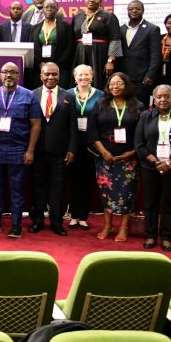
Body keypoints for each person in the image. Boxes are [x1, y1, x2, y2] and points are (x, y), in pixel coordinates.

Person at [0, 62, 41, 239]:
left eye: (13, 72)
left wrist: (30, 150)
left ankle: (16, 224)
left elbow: (36, 124)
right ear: (0, 75)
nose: (8, 75)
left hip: (18, 149)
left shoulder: (29, 96)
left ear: (18, 75)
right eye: (5, 72)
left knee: (17, 189)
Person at [135, 85, 171, 251]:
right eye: (159, 96)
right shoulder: (146, 116)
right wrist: (155, 162)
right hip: (150, 167)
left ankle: (166, 236)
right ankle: (151, 235)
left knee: (169, 202)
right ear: (154, 98)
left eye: (166, 96)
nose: (162, 100)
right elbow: (139, 145)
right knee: (150, 202)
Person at [89, 72, 143, 242]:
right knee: (106, 192)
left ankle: (123, 227)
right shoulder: (100, 104)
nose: (115, 87)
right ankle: (108, 225)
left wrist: (133, 152)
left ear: (126, 85)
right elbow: (92, 131)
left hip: (129, 158)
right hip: (105, 158)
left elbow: (143, 134)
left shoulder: (138, 106)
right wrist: (103, 152)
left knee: (127, 193)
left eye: (119, 83)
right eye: (112, 84)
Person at [29, 62, 77, 236]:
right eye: (47, 74)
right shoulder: (32, 95)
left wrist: (72, 149)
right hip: (38, 150)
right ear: (41, 76)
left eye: (54, 74)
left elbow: (73, 126)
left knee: (58, 188)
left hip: (60, 152)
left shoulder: (69, 96)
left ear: (60, 75)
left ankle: (57, 222)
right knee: (38, 187)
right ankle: (38, 221)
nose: (51, 77)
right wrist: (29, 150)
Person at [67, 64, 104, 230]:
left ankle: (83, 216)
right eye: (80, 75)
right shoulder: (67, 94)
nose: (83, 78)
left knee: (87, 181)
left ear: (92, 76)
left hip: (91, 145)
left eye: (87, 75)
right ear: (75, 77)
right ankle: (73, 215)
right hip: (72, 144)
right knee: (73, 180)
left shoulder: (101, 95)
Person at [71, 0, 121, 89]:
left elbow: (115, 39)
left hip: (99, 54)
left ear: (101, 1)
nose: (92, 0)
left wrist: (110, 60)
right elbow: (72, 38)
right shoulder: (78, 16)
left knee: (97, 81)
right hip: (80, 53)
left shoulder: (109, 16)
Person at [118, 0, 162, 105]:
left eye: (137, 9)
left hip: (142, 78)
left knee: (140, 108)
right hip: (123, 77)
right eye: (131, 9)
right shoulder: (121, 29)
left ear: (143, 11)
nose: (134, 11)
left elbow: (156, 55)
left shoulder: (152, 29)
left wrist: (150, 75)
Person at [30, 0, 76, 90]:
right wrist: (40, 63)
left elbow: (69, 47)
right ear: (42, 9)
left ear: (57, 9)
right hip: (40, 66)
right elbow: (33, 47)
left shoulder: (66, 27)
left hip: (61, 67)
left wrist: (57, 65)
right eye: (47, 7)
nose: (49, 9)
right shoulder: (35, 28)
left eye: (52, 7)